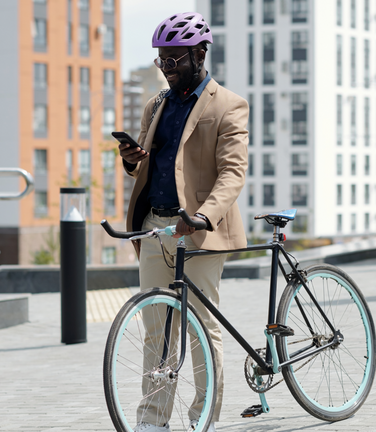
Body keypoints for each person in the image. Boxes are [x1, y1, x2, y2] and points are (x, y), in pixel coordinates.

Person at [119, 12, 249, 432]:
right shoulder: (156, 104)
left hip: (199, 231)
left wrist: (203, 217)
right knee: (156, 330)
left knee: (200, 328)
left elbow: (233, 172)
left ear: (199, 53)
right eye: (161, 61)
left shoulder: (229, 105)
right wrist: (130, 160)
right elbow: (148, 169)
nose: (167, 68)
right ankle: (153, 421)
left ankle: (202, 417)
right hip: (155, 227)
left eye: (173, 59)